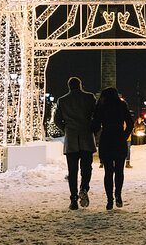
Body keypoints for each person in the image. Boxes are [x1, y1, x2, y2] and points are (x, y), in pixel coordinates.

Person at [53, 77, 97, 210]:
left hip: (71, 139)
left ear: (69, 86)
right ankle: (84, 188)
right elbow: (96, 115)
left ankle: (73, 199)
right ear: (80, 85)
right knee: (87, 168)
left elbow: (56, 120)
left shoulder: (62, 100)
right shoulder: (89, 98)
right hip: (86, 137)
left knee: (72, 171)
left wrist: (66, 129)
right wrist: (92, 129)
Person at [92, 87, 134, 210]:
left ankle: (109, 200)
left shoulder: (102, 106)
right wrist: (124, 135)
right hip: (119, 138)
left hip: (106, 139)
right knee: (119, 171)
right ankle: (118, 196)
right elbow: (130, 123)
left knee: (108, 172)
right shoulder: (122, 105)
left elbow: (95, 125)